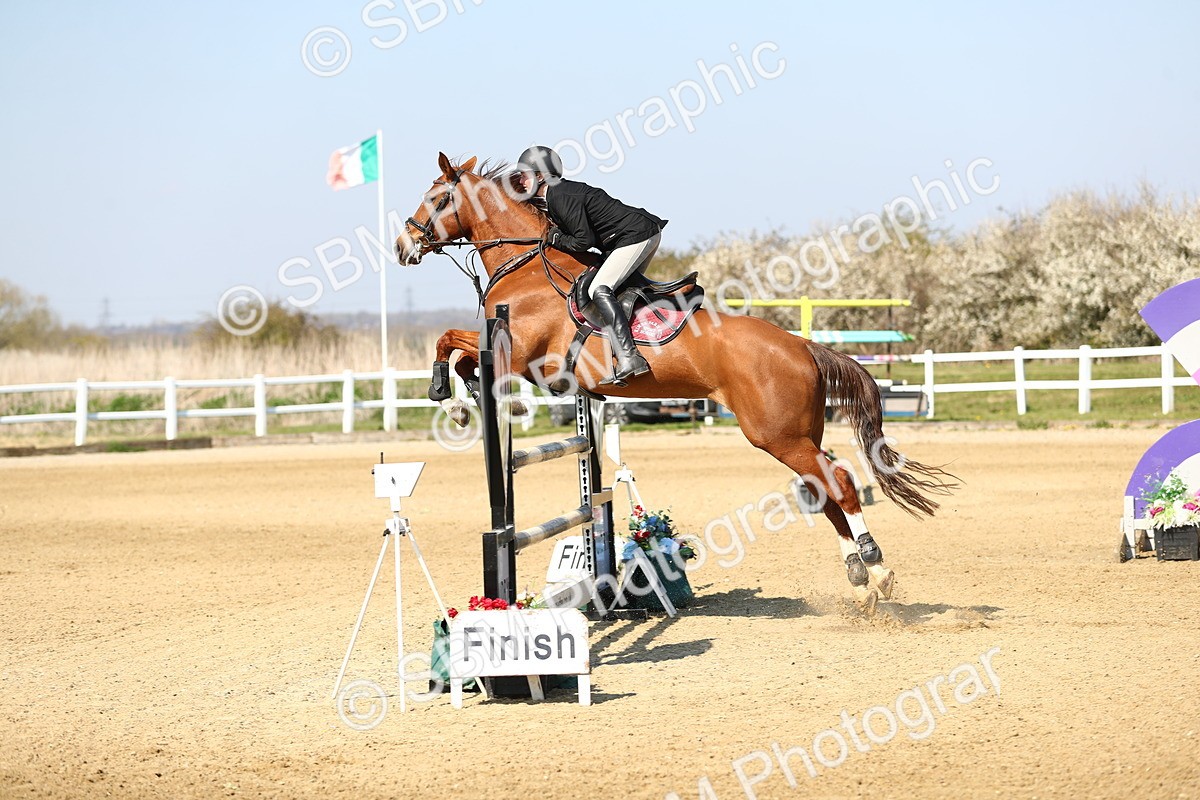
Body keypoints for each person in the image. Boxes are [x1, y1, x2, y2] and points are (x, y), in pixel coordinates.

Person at [514, 145, 667, 386]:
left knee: (600, 288)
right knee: (618, 292)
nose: (521, 180)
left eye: (524, 174)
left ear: (541, 175)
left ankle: (629, 357)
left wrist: (555, 238)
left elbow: (584, 241)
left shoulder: (560, 195)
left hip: (637, 234)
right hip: (634, 234)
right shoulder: (555, 195)